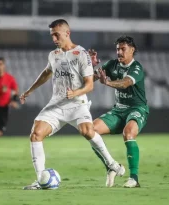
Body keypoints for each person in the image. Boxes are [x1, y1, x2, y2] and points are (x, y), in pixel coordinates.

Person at [19, 19, 125, 190]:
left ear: (67, 33)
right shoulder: (53, 55)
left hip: (77, 103)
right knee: (36, 133)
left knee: (87, 131)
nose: (54, 38)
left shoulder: (81, 54)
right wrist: (30, 90)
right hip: (57, 104)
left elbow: (90, 85)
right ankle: (41, 180)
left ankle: (112, 163)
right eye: (52, 35)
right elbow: (46, 73)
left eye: (56, 34)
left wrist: (75, 93)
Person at [88, 36, 149, 188]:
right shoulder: (112, 64)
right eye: (117, 49)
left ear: (132, 50)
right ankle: (110, 166)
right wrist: (90, 65)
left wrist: (107, 82)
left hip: (137, 108)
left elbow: (125, 83)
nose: (119, 52)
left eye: (123, 49)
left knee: (128, 133)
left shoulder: (137, 68)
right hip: (118, 110)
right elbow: (90, 79)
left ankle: (134, 178)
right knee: (91, 130)